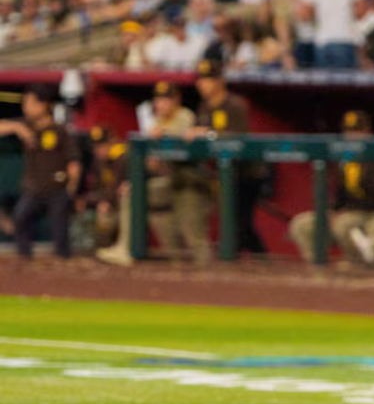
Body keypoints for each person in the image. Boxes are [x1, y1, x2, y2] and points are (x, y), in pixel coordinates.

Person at [96, 81, 193, 266]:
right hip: (160, 179)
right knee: (129, 190)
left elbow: (176, 144)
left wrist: (161, 134)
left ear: (176, 100)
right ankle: (124, 247)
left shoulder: (184, 116)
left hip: (182, 180)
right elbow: (149, 162)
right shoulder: (156, 122)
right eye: (158, 100)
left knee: (133, 194)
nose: (160, 104)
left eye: (166, 99)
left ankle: (126, 248)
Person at [288, 110, 374, 265]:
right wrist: (332, 211)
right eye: (349, 131)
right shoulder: (343, 158)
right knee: (301, 225)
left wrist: (350, 210)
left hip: (372, 214)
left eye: (357, 131)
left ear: (368, 132)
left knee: (344, 224)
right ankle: (317, 268)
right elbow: (339, 194)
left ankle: (357, 267)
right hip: (346, 213)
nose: (352, 136)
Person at [187, 58, 267, 260]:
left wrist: (208, 133)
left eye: (208, 79)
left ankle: (250, 260)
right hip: (222, 174)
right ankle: (259, 260)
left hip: (247, 173)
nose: (202, 84)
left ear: (220, 81)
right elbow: (197, 134)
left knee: (241, 222)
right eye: (200, 79)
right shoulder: (204, 108)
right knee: (237, 223)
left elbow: (239, 138)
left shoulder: (235, 105)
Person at [0, 84, 81, 260]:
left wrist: (71, 188)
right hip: (33, 188)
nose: (25, 107)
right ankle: (25, 257)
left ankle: (63, 260)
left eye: (29, 103)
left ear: (43, 104)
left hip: (57, 187)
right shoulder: (26, 125)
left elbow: (73, 162)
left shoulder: (60, 130)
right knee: (20, 218)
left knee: (60, 228)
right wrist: (16, 127)